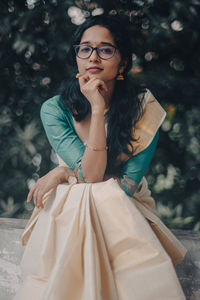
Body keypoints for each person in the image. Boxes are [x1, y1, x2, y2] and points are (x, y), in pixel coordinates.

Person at [14, 14, 187, 300]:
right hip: (71, 212)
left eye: (105, 49)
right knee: (81, 197)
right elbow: (92, 176)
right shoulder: (55, 109)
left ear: (124, 63)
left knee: (92, 196)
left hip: (126, 210)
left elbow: (120, 188)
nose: (93, 57)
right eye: (85, 48)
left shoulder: (146, 109)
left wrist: (63, 173)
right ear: (77, 57)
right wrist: (95, 110)